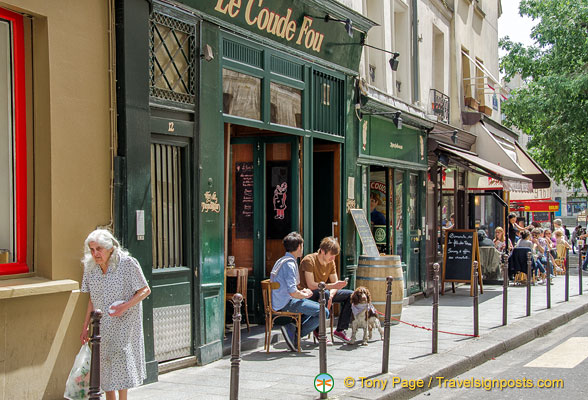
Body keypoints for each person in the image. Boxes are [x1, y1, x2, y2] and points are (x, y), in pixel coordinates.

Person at [80, 229, 151, 400]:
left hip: (124, 322)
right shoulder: (90, 268)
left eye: (99, 249)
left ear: (110, 248)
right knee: (103, 362)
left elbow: (145, 290)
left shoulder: (127, 263)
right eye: (92, 249)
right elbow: (91, 299)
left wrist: (124, 307)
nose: (95, 253)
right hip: (102, 325)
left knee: (120, 359)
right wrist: (85, 328)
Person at [270, 231, 327, 352]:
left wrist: (303, 292)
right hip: (286, 303)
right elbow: (293, 292)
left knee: (312, 304)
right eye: (302, 246)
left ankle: (293, 329)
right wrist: (304, 294)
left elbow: (292, 288)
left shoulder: (281, 260)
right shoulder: (290, 264)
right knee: (323, 311)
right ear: (299, 246)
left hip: (279, 300)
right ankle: (295, 334)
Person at [299, 236, 353, 343]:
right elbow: (311, 285)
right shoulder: (309, 260)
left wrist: (331, 296)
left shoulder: (330, 262)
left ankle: (340, 330)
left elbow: (335, 283)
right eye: (331, 255)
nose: (333, 258)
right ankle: (319, 332)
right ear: (323, 251)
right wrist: (330, 289)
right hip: (308, 294)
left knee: (351, 295)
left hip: (325, 293)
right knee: (325, 294)